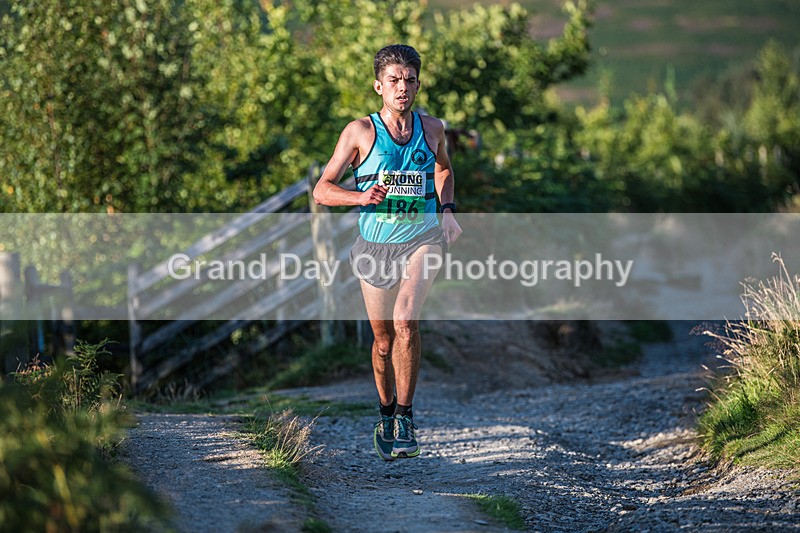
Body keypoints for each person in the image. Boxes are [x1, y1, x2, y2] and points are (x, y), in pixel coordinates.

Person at [313, 44, 461, 460]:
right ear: (379, 86)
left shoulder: (432, 129)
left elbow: (444, 169)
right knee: (382, 341)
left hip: (422, 238)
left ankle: (407, 417)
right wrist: (360, 197)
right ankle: (386, 414)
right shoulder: (360, 132)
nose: (402, 88)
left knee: (405, 322)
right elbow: (322, 190)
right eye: (394, 80)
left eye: (410, 80)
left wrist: (447, 210)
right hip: (375, 246)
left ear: (418, 84)